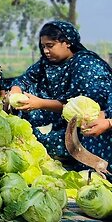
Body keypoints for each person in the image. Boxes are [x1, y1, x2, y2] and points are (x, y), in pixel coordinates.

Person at [10, 20, 112, 171]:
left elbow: (93, 106)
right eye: (43, 46)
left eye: (50, 46)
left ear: (68, 43)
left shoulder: (87, 65)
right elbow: (25, 79)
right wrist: (16, 90)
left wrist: (41, 104)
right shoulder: (46, 63)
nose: (45, 51)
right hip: (60, 118)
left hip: (88, 125)